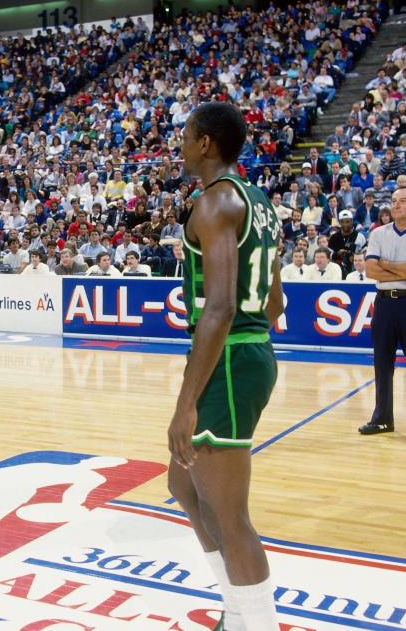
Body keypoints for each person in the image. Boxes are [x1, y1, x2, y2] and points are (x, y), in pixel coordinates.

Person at [168, 103, 284, 631]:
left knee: (229, 515)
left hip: (230, 356)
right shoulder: (258, 202)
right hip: (242, 352)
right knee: (184, 486)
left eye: (187, 136)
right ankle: (235, 611)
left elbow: (218, 308)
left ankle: (252, 622)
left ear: (207, 143)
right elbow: (275, 300)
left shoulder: (214, 203)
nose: (182, 145)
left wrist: (185, 405)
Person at [359, 187, 406, 443]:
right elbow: (370, 270)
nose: (396, 205)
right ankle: (382, 419)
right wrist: (403, 270)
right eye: (393, 201)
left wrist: (387, 264)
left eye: (403, 201)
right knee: (382, 364)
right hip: (383, 304)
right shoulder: (378, 233)